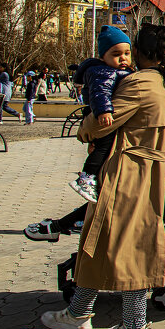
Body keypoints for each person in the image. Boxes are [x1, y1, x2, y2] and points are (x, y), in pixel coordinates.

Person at [37, 24, 165, 329]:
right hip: (148, 173)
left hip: (127, 174)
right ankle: (78, 313)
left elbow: (102, 124)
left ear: (141, 52)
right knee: (100, 243)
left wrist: (85, 130)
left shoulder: (139, 83)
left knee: (129, 249)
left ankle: (133, 325)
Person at [68, 26, 134, 203]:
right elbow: (100, 92)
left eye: (127, 53)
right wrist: (104, 110)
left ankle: (94, 178)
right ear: (103, 56)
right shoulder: (103, 72)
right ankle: (87, 177)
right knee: (104, 147)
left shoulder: (114, 70)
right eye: (116, 54)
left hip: (105, 115)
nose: (123, 58)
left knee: (102, 148)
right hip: (100, 114)